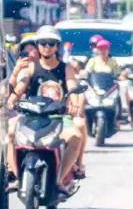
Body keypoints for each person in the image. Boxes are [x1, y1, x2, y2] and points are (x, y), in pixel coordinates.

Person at [7, 27, 85, 191]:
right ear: (37, 45)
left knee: (77, 133)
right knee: (9, 131)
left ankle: (60, 179)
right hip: (31, 117)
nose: (47, 47)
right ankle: (13, 174)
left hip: (58, 118)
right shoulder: (31, 67)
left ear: (57, 46)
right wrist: (12, 99)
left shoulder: (66, 68)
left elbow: (72, 87)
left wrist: (75, 103)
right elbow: (19, 87)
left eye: (51, 43)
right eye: (43, 43)